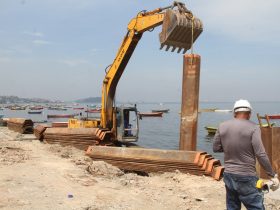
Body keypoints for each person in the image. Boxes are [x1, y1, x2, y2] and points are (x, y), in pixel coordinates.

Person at [213, 99, 279, 210]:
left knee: (232, 207)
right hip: (247, 177)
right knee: (255, 207)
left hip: (228, 175)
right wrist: (272, 175)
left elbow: (216, 148)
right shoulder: (254, 127)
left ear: (234, 113)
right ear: (249, 114)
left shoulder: (222, 126)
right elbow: (260, 154)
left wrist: (231, 149)